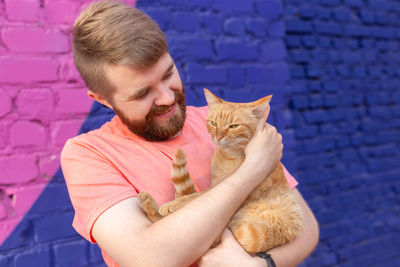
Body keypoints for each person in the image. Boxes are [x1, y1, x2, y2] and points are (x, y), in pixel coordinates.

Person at [61, 1, 319, 266]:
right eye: (142, 93)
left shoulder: (218, 120)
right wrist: (251, 170)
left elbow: (306, 227)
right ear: (102, 99)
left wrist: (259, 265)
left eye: (168, 74)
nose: (166, 98)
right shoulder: (89, 154)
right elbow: (150, 259)